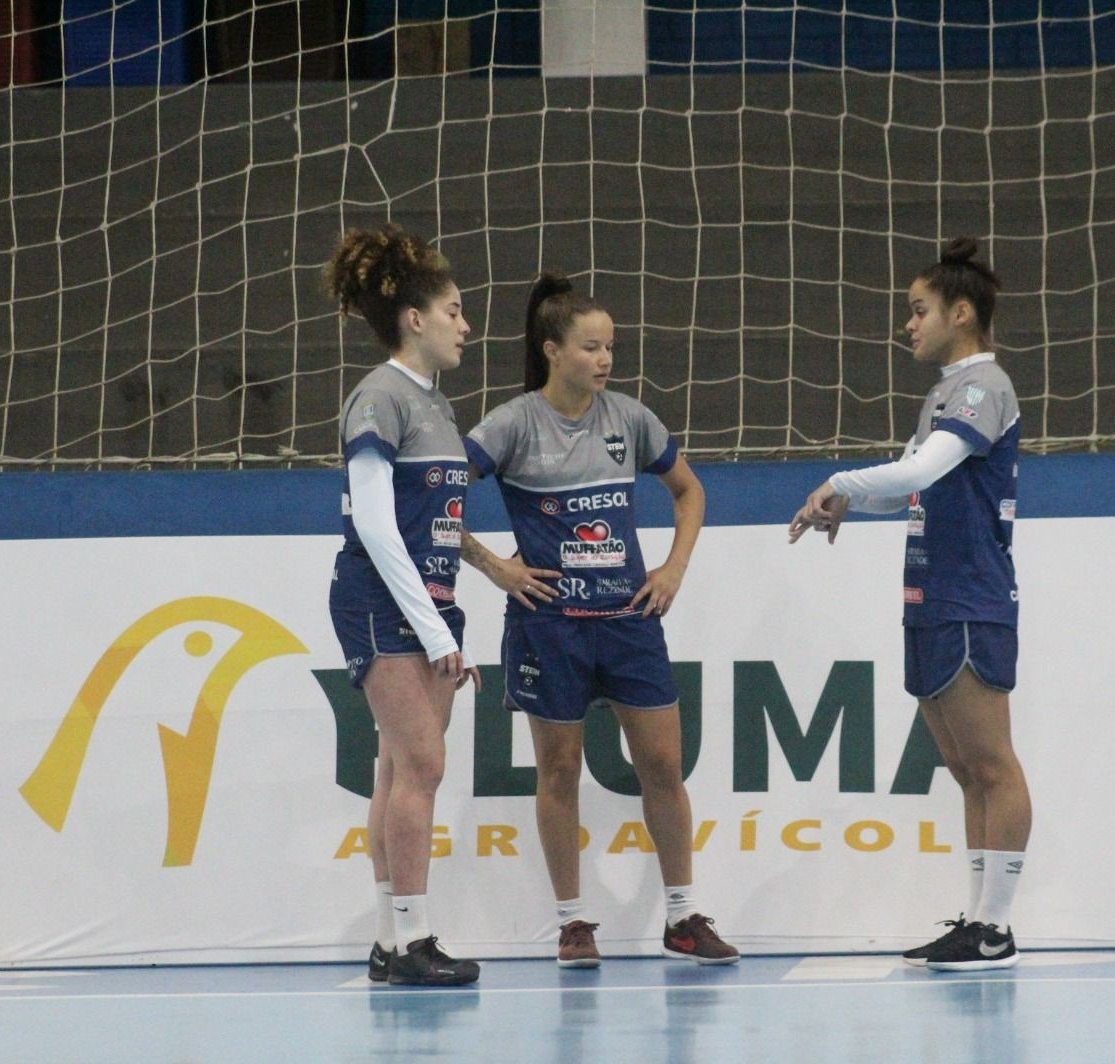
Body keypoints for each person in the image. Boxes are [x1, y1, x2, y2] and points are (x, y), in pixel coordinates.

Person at [459, 272, 739, 969]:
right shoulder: (512, 423)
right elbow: (436, 497)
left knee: (663, 766)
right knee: (558, 771)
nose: (606, 359)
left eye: (610, 346)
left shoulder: (629, 418)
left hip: (627, 621)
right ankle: (572, 922)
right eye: (591, 347)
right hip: (548, 627)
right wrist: (496, 566)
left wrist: (672, 569)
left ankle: (681, 917)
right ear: (552, 350)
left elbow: (688, 491)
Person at [788, 237, 1032, 972]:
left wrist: (838, 481)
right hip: (928, 594)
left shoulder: (984, 386)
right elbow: (910, 488)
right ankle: (976, 919)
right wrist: (849, 505)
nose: (908, 324)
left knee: (992, 764)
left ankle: (996, 927)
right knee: (961, 770)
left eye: (918, 310)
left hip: (968, 595)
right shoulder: (943, 393)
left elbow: (922, 466)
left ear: (962, 312)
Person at [324, 223, 483, 987]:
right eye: (454, 309)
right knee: (421, 762)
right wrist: (430, 626)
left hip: (429, 606)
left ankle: (391, 943)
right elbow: (377, 524)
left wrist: (446, 621)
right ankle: (415, 942)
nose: (465, 324)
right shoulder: (379, 396)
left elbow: (436, 530)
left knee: (396, 770)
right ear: (414, 318)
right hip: (379, 602)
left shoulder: (435, 405)